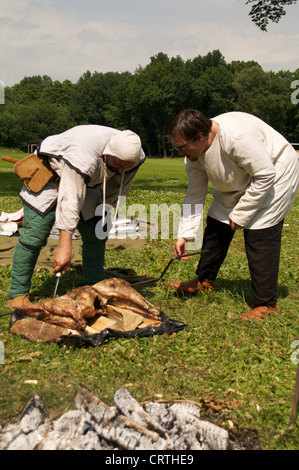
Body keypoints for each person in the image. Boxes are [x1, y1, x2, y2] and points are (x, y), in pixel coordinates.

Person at [168, 109, 299, 320]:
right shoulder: (193, 154)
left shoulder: (235, 138)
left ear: (200, 136)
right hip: (242, 174)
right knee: (217, 221)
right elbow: (194, 193)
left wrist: (241, 213)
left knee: (259, 231)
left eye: (183, 147)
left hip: (276, 170)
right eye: (176, 148)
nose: (181, 153)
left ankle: (266, 304)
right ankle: (204, 281)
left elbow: (265, 174)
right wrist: (184, 233)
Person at [8, 125, 145, 308]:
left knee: (97, 232)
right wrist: (65, 247)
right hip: (50, 175)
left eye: (124, 167)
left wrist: (104, 214)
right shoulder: (84, 153)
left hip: (88, 182)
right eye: (117, 165)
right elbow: (71, 199)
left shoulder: (135, 158)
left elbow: (116, 189)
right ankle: (18, 293)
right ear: (107, 153)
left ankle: (95, 286)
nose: (120, 171)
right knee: (34, 235)